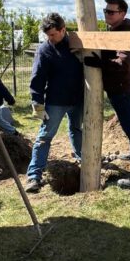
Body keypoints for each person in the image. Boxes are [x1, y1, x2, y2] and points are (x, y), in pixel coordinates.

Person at [25, 13, 84, 193]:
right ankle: (34, 176)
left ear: (63, 29)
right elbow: (38, 78)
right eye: (47, 35)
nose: (49, 38)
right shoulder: (45, 50)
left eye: (52, 34)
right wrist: (37, 102)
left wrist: (84, 57)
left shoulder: (76, 44)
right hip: (56, 101)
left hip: (78, 99)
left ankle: (83, 161)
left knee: (76, 130)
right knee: (44, 137)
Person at [97, 0, 130, 189]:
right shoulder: (114, 30)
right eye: (105, 11)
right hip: (116, 87)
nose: (107, 14)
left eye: (111, 11)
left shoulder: (126, 33)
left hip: (121, 88)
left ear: (122, 13)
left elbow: (123, 63)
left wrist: (99, 63)